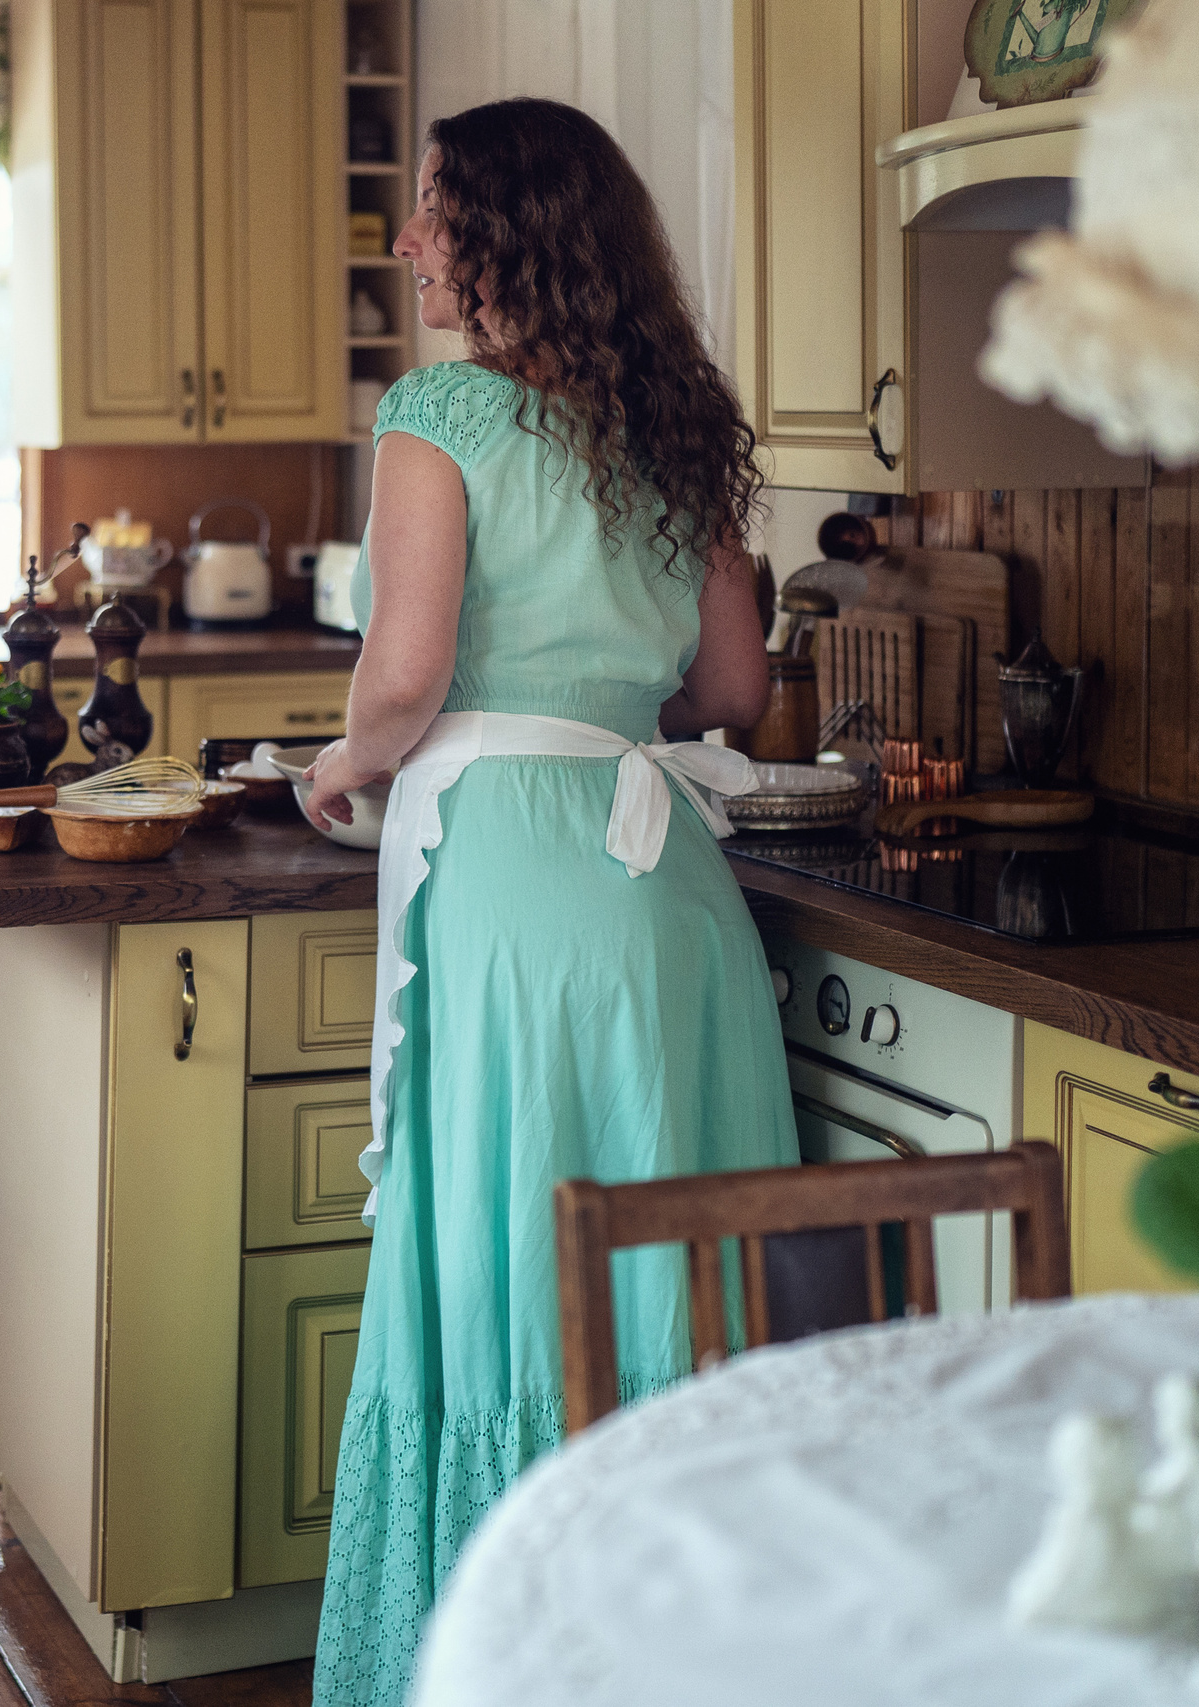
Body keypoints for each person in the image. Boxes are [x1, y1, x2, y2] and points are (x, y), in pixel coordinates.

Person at [303, 98, 801, 1707]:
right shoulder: (677, 423)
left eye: (432, 211)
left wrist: (335, 768)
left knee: (515, 1259)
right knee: (676, 1266)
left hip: (511, 882)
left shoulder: (439, 410)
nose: (409, 241)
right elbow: (732, 690)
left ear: (506, 231)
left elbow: (408, 675)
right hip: (673, 904)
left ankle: (498, 1658)